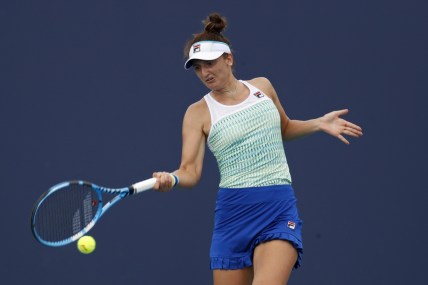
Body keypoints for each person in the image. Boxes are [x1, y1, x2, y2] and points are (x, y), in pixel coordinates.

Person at [152, 12, 363, 285]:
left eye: (210, 63)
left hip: (277, 208)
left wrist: (318, 124)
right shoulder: (197, 113)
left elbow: (284, 128)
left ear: (228, 59)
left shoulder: (263, 87)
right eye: (197, 67)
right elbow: (190, 170)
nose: (204, 73)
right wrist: (174, 178)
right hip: (232, 215)